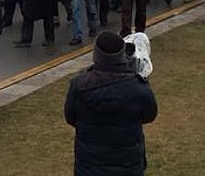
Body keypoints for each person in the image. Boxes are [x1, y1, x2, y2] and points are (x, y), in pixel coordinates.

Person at [65, 30, 157, 176]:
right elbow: (150, 114)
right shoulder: (137, 87)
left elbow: (70, 116)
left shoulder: (79, 85)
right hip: (127, 165)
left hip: (90, 166)